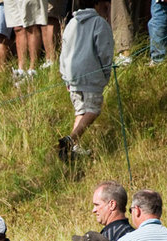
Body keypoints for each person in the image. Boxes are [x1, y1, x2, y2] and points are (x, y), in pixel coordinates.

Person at [57, 0, 114, 160]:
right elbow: (105, 51)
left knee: (81, 111)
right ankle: (70, 140)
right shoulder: (99, 23)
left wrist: (65, 76)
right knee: (93, 109)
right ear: (97, 4)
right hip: (92, 75)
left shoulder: (71, 23)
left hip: (72, 75)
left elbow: (64, 51)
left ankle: (74, 148)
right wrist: (106, 73)